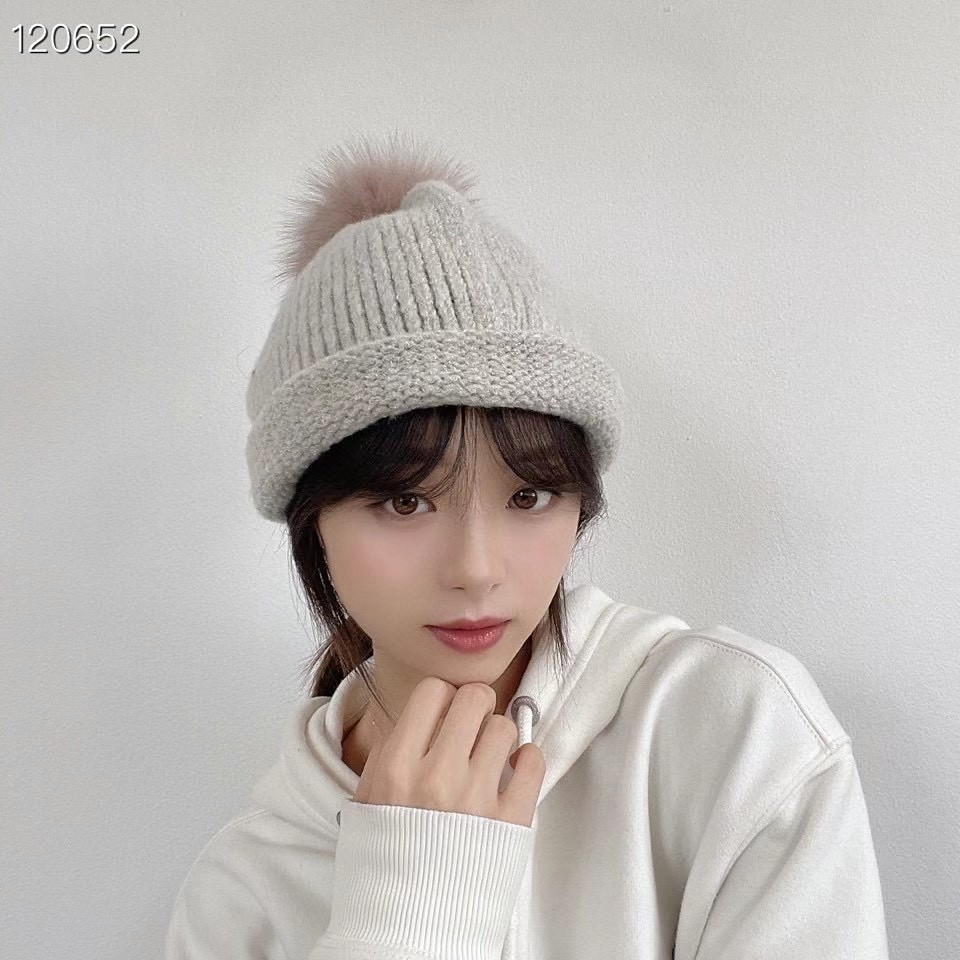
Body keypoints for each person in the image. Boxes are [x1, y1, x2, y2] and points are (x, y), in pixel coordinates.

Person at [164, 130, 890, 960]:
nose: (476, 570)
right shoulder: (239, 897)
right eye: (405, 501)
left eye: (529, 496)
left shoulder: (732, 733)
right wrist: (406, 922)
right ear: (311, 521)